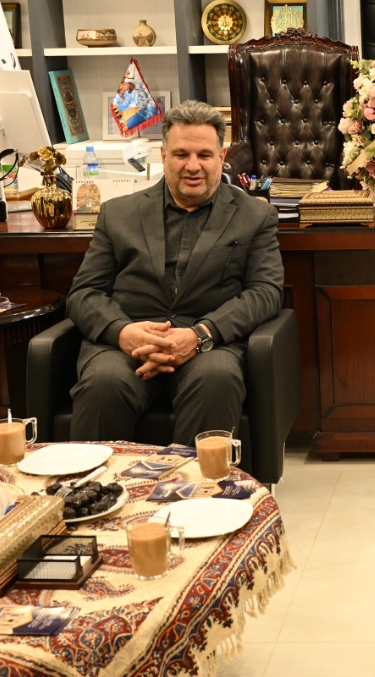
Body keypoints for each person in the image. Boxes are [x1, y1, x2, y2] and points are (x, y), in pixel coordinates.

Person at [67, 99, 283, 446]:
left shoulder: (254, 216)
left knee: (217, 379)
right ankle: (96, 482)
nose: (192, 166)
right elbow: (84, 293)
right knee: (103, 382)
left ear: (221, 157)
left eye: (204, 155)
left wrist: (200, 335)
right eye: (181, 154)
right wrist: (123, 332)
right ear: (164, 155)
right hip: (126, 349)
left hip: (209, 347)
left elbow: (265, 291)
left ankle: (195, 483)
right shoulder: (117, 214)